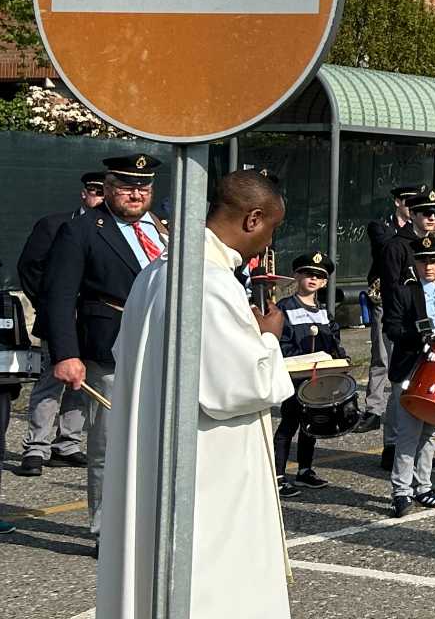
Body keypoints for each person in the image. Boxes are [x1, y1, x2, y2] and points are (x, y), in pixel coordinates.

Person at [97, 169, 296, 617]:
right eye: (271, 229)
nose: (268, 244)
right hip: (209, 465)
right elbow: (237, 388)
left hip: (156, 449)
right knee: (213, 575)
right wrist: (268, 338)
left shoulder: (154, 273)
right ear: (252, 218)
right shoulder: (207, 282)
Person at [43, 153, 165, 538]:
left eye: (143, 187)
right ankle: (105, 528)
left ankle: (154, 522)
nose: (136, 194)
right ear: (109, 188)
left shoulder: (165, 231)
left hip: (167, 346)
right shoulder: (82, 231)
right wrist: (65, 354)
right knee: (110, 443)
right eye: (127, 186)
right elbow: (58, 296)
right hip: (112, 347)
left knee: (164, 439)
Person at [13, 169, 104, 477]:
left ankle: (67, 443)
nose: (99, 196)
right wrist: (50, 306)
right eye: (94, 190)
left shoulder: (111, 232)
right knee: (50, 381)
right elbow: (30, 268)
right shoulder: (55, 224)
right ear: (84, 193)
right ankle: (36, 446)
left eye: (104, 191)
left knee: (83, 384)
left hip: (93, 321)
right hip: (60, 318)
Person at [371, 187, 435, 468]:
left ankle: (421, 447)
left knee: (427, 384)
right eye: (426, 213)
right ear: (414, 215)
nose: (432, 218)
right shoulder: (397, 245)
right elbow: (392, 288)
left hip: (433, 326)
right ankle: (392, 445)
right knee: (400, 387)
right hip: (405, 325)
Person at [384, 234, 435, 517]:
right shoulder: (404, 291)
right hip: (410, 366)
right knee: (408, 432)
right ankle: (401, 491)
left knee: (430, 431)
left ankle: (423, 487)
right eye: (422, 260)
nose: (428, 266)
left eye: (434, 260)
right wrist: (418, 339)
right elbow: (391, 328)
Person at [273, 251, 348, 498]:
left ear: (325, 283)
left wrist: (340, 357)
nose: (313, 279)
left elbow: (335, 342)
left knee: (311, 424)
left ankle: (305, 470)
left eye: (319, 276)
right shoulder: (284, 308)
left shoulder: (324, 312)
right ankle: (278, 475)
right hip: (295, 377)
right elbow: (280, 343)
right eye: (307, 274)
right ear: (296, 276)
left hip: (318, 379)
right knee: (289, 422)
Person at [360, 181, 423, 440]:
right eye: (409, 202)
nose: (413, 207)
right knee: (381, 356)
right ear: (397, 202)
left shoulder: (420, 231)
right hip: (385, 298)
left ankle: (406, 410)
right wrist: (417, 232)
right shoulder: (381, 226)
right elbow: (388, 248)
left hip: (411, 300)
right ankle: (373, 409)